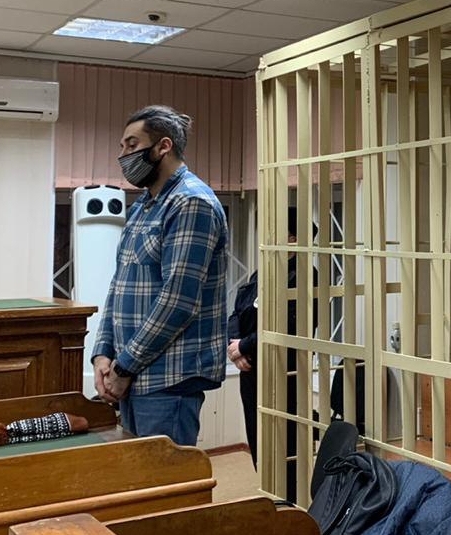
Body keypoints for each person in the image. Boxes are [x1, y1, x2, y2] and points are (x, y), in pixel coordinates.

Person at [91, 104, 229, 447]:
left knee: (163, 478)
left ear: (163, 146)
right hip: (132, 376)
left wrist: (123, 367)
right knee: (135, 477)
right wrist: (103, 354)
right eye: (122, 146)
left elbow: (177, 301)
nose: (123, 155)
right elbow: (119, 285)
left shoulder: (191, 202)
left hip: (168, 379)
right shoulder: (143, 205)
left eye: (132, 145)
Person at [227, 207, 317, 502]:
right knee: (258, 434)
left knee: (284, 440)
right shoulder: (263, 272)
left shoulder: (306, 276)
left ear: (293, 239)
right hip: (251, 369)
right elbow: (236, 310)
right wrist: (235, 346)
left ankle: (289, 502)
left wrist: (244, 346)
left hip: (284, 370)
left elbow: (289, 326)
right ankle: (269, 493)